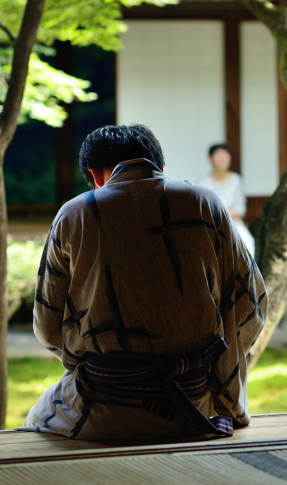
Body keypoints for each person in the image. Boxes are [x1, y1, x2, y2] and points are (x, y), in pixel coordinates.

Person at [21, 125, 267, 440]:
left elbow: (46, 327)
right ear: (160, 169)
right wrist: (209, 369)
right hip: (195, 407)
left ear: (96, 177)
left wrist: (97, 364)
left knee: (36, 420)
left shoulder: (75, 214)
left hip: (103, 408)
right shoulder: (206, 203)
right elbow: (252, 307)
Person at [196, 144, 255, 255]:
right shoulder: (202, 181)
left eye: (226, 155)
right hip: (210, 224)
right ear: (210, 159)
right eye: (218, 155)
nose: (223, 159)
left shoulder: (236, 180)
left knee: (248, 242)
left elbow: (240, 209)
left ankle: (247, 272)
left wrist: (219, 212)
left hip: (233, 224)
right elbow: (201, 208)